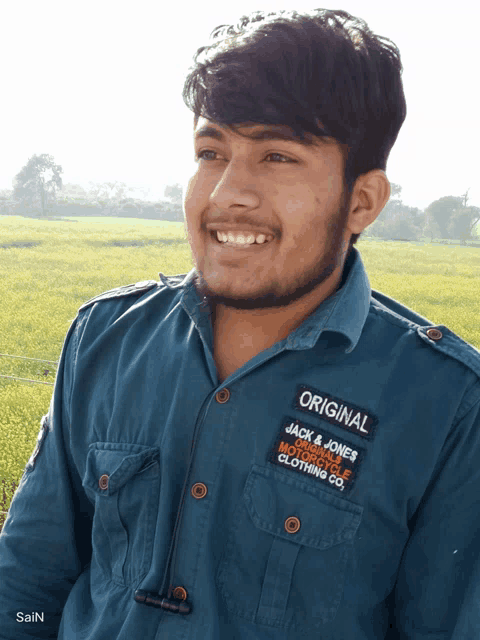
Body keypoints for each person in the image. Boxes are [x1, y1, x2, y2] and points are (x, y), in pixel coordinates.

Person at [0, 8, 479, 639]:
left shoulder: (445, 403)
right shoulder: (106, 340)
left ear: (362, 200)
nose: (227, 192)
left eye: (277, 155)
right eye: (210, 151)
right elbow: (29, 582)